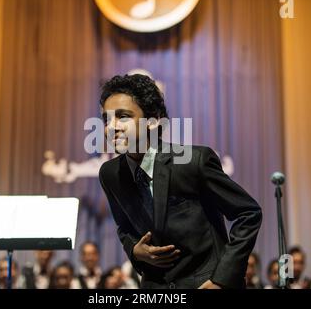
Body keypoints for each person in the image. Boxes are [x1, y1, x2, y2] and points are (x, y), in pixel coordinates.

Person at [98, 74, 262, 289]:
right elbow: (124, 226)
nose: (112, 127)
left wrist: (222, 279)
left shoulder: (193, 162)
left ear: (153, 120)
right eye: (106, 119)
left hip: (207, 282)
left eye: (123, 116)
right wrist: (134, 250)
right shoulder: (110, 173)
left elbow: (248, 213)